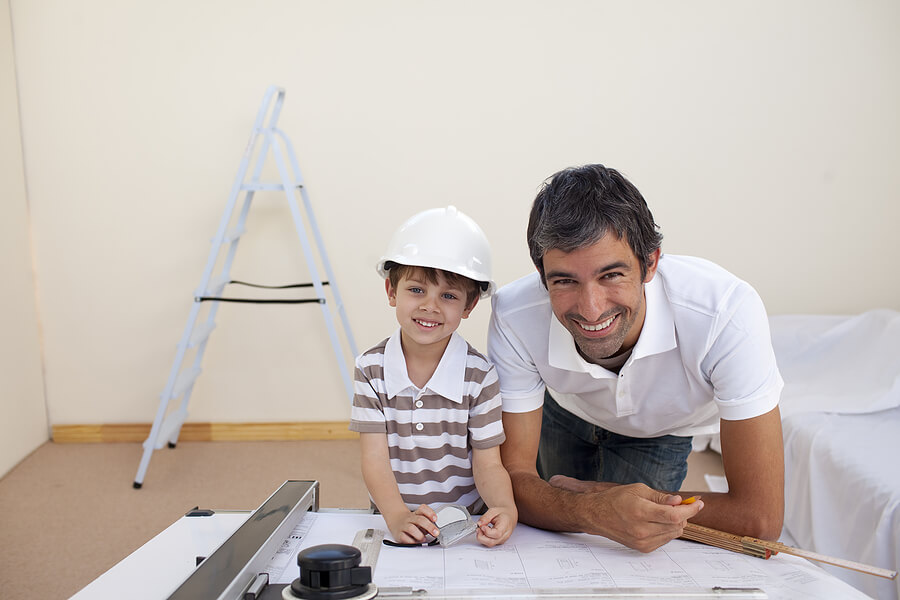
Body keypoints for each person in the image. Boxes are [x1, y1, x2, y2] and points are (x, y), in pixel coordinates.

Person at [488, 164, 784, 553]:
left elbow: (759, 518)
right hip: (564, 410)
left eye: (611, 275)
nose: (591, 309)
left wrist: (596, 499)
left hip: (662, 430)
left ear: (651, 262)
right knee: (559, 546)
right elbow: (511, 486)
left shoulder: (725, 313)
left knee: (628, 555)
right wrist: (588, 510)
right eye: (564, 281)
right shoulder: (514, 314)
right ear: (542, 276)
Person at [350, 206, 517, 547]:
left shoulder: (480, 376)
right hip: (394, 518)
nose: (430, 306)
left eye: (448, 296)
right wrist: (396, 516)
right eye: (416, 290)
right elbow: (375, 459)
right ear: (391, 292)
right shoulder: (369, 369)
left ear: (468, 307)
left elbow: (488, 464)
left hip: (466, 525)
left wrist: (504, 506)